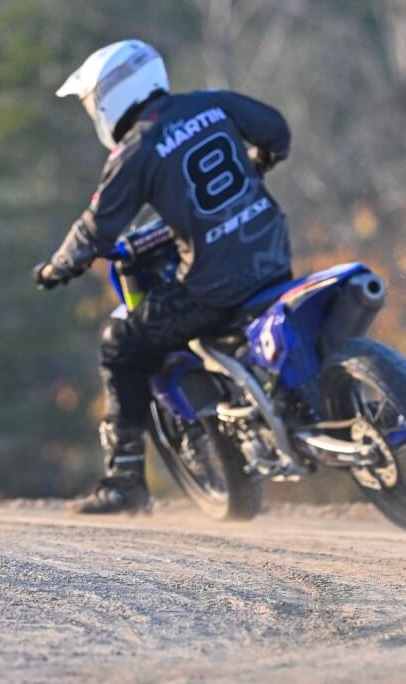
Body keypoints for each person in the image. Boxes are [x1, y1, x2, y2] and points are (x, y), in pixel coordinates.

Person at [34, 40, 294, 514]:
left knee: (120, 343)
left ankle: (125, 482)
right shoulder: (210, 103)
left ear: (111, 97)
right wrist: (260, 163)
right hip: (274, 252)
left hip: (213, 286)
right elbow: (277, 132)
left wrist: (57, 266)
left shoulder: (139, 148)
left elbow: (96, 229)